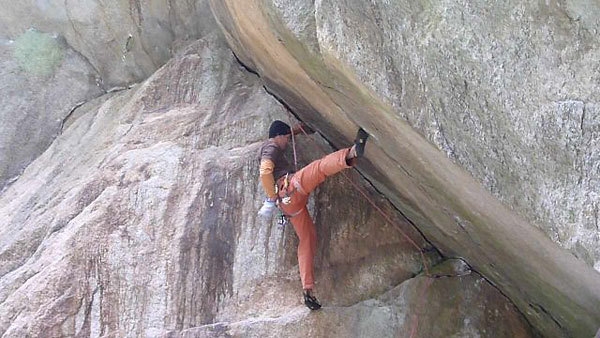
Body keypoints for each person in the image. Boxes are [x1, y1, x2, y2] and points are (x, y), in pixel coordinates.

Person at [257, 120, 368, 310]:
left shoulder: (275, 142)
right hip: (291, 188)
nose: (287, 142)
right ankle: (351, 153)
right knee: (318, 168)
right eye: (286, 138)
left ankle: (307, 290)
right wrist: (273, 195)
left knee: (307, 238)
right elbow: (265, 171)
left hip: (290, 206)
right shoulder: (271, 145)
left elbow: (283, 137)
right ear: (278, 136)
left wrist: (299, 129)